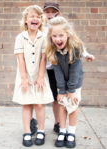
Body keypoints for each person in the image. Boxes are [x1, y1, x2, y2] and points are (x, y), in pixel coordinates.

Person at [42, 1, 95, 134]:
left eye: (52, 12)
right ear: (43, 14)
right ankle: (59, 125)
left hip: (66, 71)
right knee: (57, 98)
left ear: (57, 13)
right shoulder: (41, 29)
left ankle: (67, 129)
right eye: (47, 12)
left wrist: (86, 54)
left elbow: (76, 45)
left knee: (69, 100)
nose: (49, 14)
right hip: (50, 68)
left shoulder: (62, 28)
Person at [12, 5, 54, 147]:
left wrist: (41, 77)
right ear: (25, 20)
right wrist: (23, 78)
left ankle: (41, 131)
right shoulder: (20, 37)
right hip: (25, 75)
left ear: (41, 21)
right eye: (32, 16)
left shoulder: (44, 37)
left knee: (39, 104)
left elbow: (44, 58)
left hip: (39, 75)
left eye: (38, 16)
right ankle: (27, 132)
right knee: (27, 104)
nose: (35, 18)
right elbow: (20, 59)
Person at [46, 16, 85, 148]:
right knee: (62, 104)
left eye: (61, 35)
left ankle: (71, 133)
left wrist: (71, 91)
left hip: (75, 82)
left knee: (72, 106)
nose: (58, 39)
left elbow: (75, 71)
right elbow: (58, 71)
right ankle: (62, 132)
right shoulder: (53, 50)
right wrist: (62, 90)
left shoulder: (76, 48)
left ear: (68, 34)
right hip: (62, 82)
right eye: (54, 36)